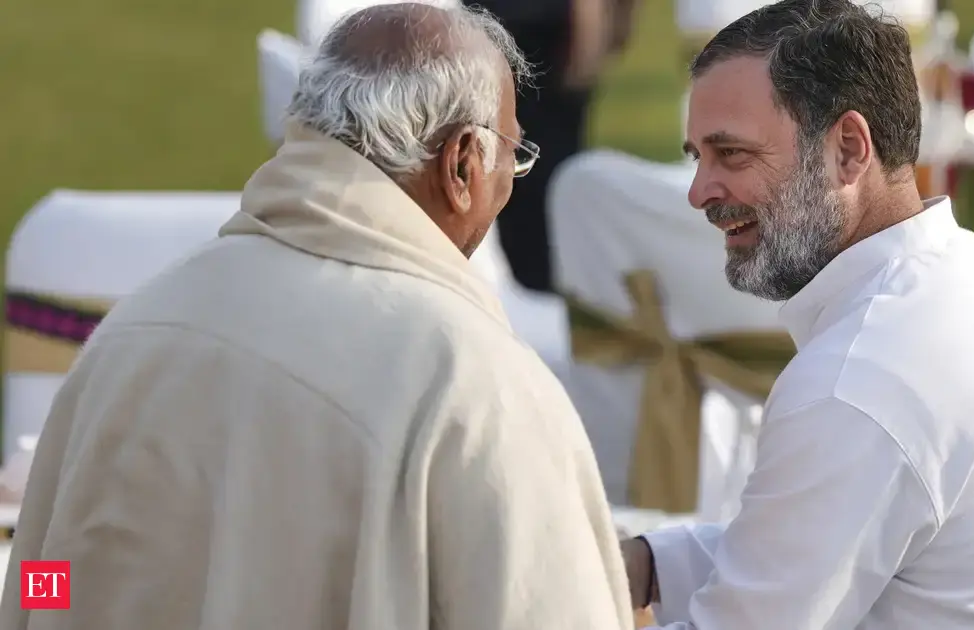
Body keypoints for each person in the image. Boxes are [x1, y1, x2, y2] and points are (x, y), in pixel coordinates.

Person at [1, 4, 633, 630]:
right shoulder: (477, 385)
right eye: (513, 158)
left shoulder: (128, 333)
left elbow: (40, 581)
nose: (509, 182)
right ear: (463, 162)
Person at [621, 1, 974, 629]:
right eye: (697, 156)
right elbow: (811, 549)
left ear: (848, 150)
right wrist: (650, 563)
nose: (698, 191)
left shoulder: (858, 378)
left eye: (731, 154)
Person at [469, 0, 637, 293]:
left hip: (546, 37)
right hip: (493, 28)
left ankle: (546, 282)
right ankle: (529, 280)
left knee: (545, 169)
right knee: (501, 164)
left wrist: (592, 32)